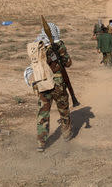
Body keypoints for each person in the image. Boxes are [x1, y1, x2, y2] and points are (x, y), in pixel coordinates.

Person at [25, 23, 73, 152]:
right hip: (57, 83)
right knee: (63, 109)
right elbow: (68, 63)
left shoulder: (37, 45)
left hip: (42, 83)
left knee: (43, 113)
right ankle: (66, 133)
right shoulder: (58, 45)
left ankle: (41, 142)